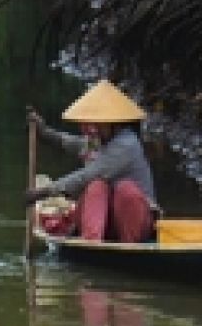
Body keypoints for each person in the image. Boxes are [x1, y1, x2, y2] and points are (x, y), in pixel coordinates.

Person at [24, 79, 158, 243]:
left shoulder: (126, 144)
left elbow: (87, 175)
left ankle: (128, 246)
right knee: (97, 187)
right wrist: (44, 131)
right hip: (108, 225)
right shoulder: (100, 140)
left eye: (98, 123)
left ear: (114, 123)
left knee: (122, 189)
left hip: (135, 224)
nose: (93, 128)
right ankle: (92, 242)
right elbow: (72, 143)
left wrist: (44, 192)